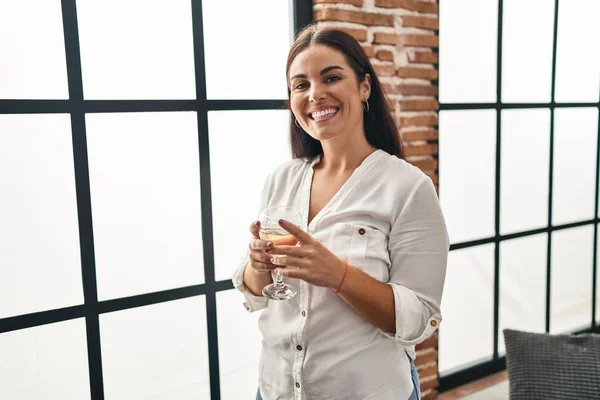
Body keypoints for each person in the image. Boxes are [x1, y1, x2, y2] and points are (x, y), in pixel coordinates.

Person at [232, 25, 449, 400]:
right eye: (300, 85)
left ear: (364, 87)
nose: (315, 93)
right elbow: (255, 295)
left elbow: (419, 319)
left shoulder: (408, 187)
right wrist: (258, 265)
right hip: (275, 389)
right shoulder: (280, 180)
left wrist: (339, 275)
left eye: (331, 77)